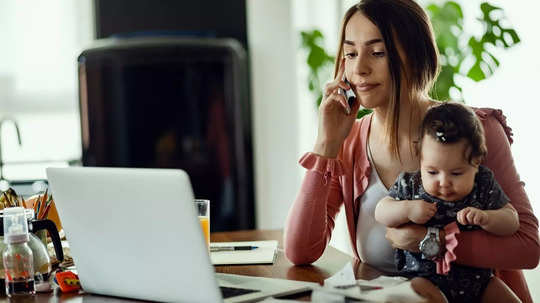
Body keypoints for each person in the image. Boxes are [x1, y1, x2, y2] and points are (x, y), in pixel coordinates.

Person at [283, 1, 539, 302]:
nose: (359, 68)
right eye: (350, 53)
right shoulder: (350, 141)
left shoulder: (475, 130)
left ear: (415, 56)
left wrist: (431, 241)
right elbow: (300, 252)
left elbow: (527, 247)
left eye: (377, 52)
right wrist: (326, 145)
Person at [375, 102, 520, 302]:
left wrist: (488, 218)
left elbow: (511, 220)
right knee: (418, 291)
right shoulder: (412, 185)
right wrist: (407, 209)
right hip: (423, 279)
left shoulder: (483, 183)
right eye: (432, 172)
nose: (444, 182)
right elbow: (381, 211)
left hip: (480, 282)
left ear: (476, 163)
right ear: (421, 160)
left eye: (456, 173)